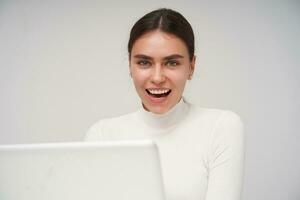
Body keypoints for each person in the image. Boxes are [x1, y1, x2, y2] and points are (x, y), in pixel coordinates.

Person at [85, 8, 245, 200]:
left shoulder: (220, 127)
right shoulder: (102, 136)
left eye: (172, 63)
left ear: (191, 67)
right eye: (144, 63)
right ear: (130, 65)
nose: (158, 78)